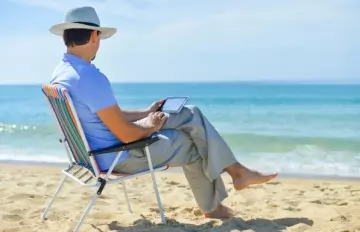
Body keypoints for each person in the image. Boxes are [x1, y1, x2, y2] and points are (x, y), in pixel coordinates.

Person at [49, 6, 277, 219]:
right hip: (119, 155)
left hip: (93, 154)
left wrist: (146, 112)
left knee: (190, 113)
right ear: (94, 37)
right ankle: (215, 204)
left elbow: (108, 115)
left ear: (66, 37)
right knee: (192, 144)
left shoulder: (64, 73)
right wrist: (151, 125)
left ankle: (237, 172)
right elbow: (128, 135)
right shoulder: (90, 78)